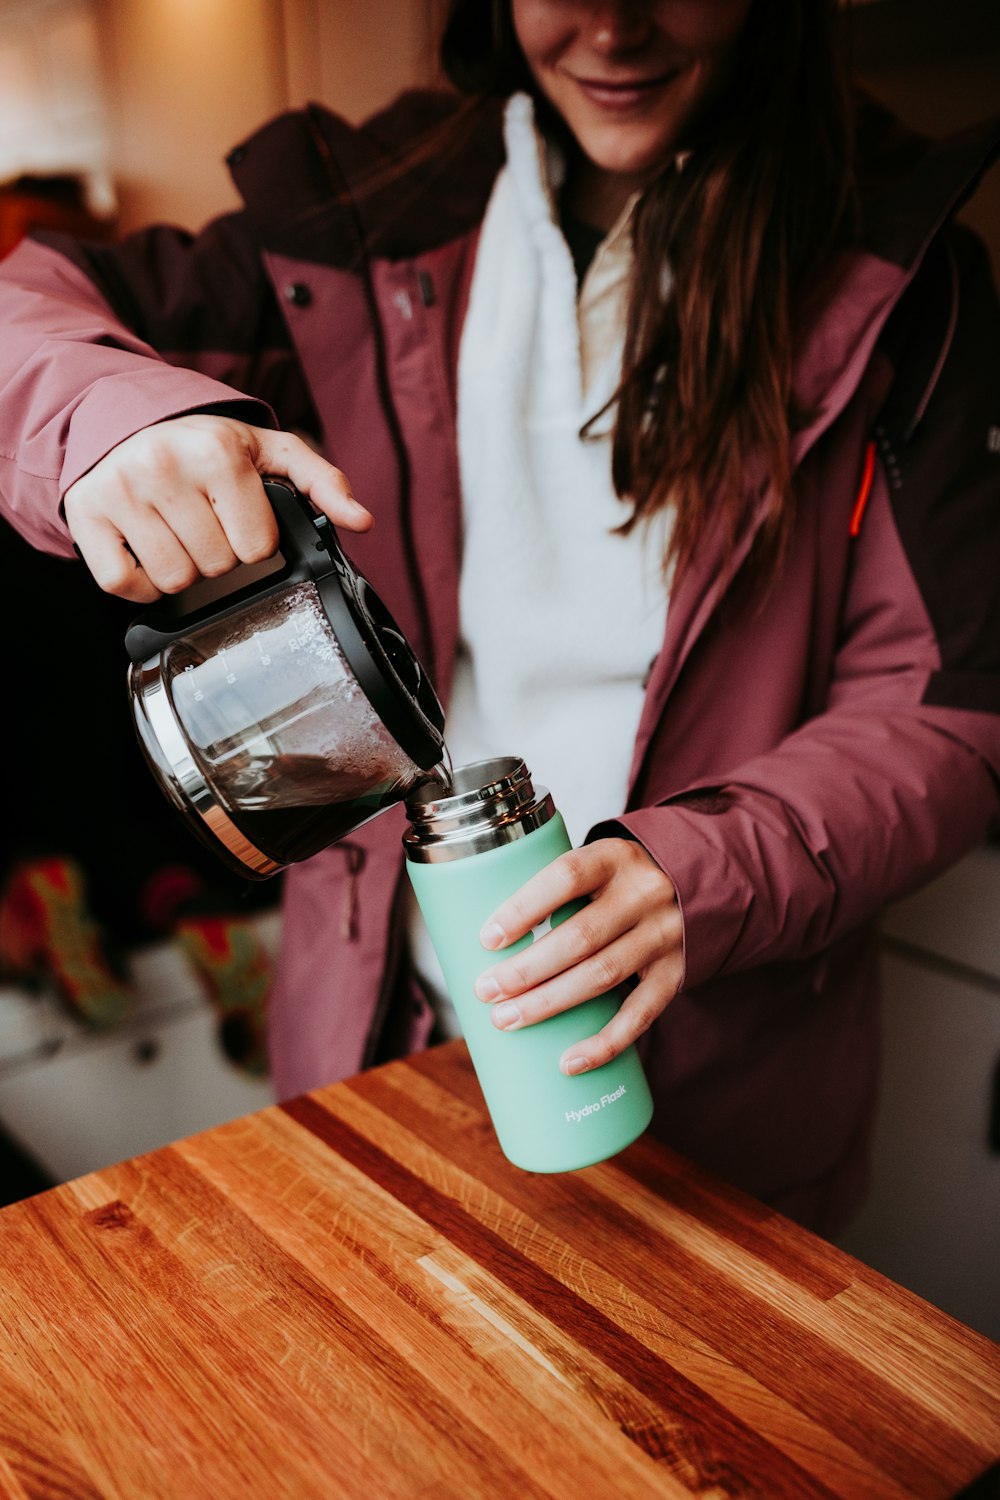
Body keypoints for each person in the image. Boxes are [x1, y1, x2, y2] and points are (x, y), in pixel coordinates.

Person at [1, 0, 998, 1235]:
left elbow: (948, 708)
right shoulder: (360, 209)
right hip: (377, 1037)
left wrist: (701, 874)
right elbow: (28, 307)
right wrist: (104, 418)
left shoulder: (898, 269)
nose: (616, 29)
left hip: (723, 1085)